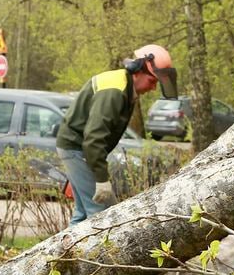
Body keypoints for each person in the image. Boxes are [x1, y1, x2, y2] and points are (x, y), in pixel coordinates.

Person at [56, 44, 177, 224]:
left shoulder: (125, 86)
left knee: (83, 215)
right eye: (152, 81)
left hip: (78, 148)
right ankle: (93, 252)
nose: (153, 88)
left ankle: (64, 251)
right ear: (138, 71)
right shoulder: (115, 91)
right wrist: (101, 179)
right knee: (99, 216)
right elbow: (94, 138)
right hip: (78, 148)